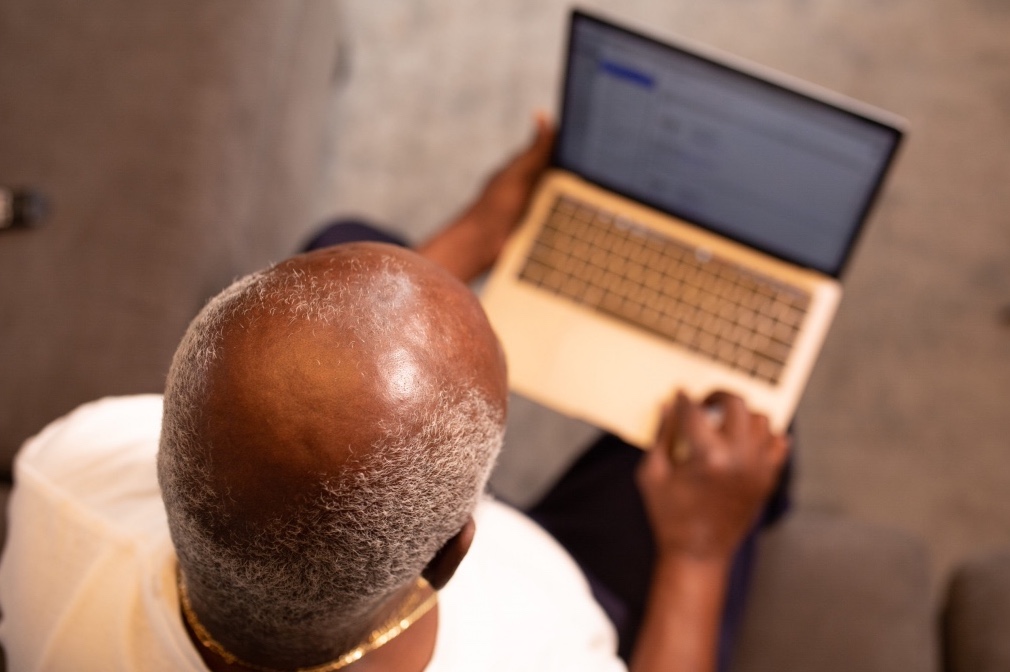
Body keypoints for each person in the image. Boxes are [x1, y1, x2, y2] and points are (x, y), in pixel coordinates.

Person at [0, 117, 788, 672]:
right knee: (742, 427)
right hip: (576, 576)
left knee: (341, 243)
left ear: (172, 435)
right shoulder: (543, 650)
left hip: (374, 544)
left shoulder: (64, 470)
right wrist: (696, 549)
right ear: (451, 555)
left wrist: (475, 237)